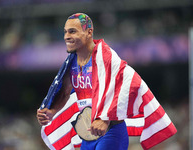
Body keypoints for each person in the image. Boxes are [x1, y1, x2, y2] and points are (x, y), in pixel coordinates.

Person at [37, 13, 177, 150]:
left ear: (89, 32)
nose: (67, 36)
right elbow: (65, 92)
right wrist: (52, 111)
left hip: (110, 131)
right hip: (88, 135)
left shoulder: (106, 57)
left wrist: (106, 118)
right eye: (65, 32)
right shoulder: (71, 62)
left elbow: (127, 84)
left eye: (72, 31)